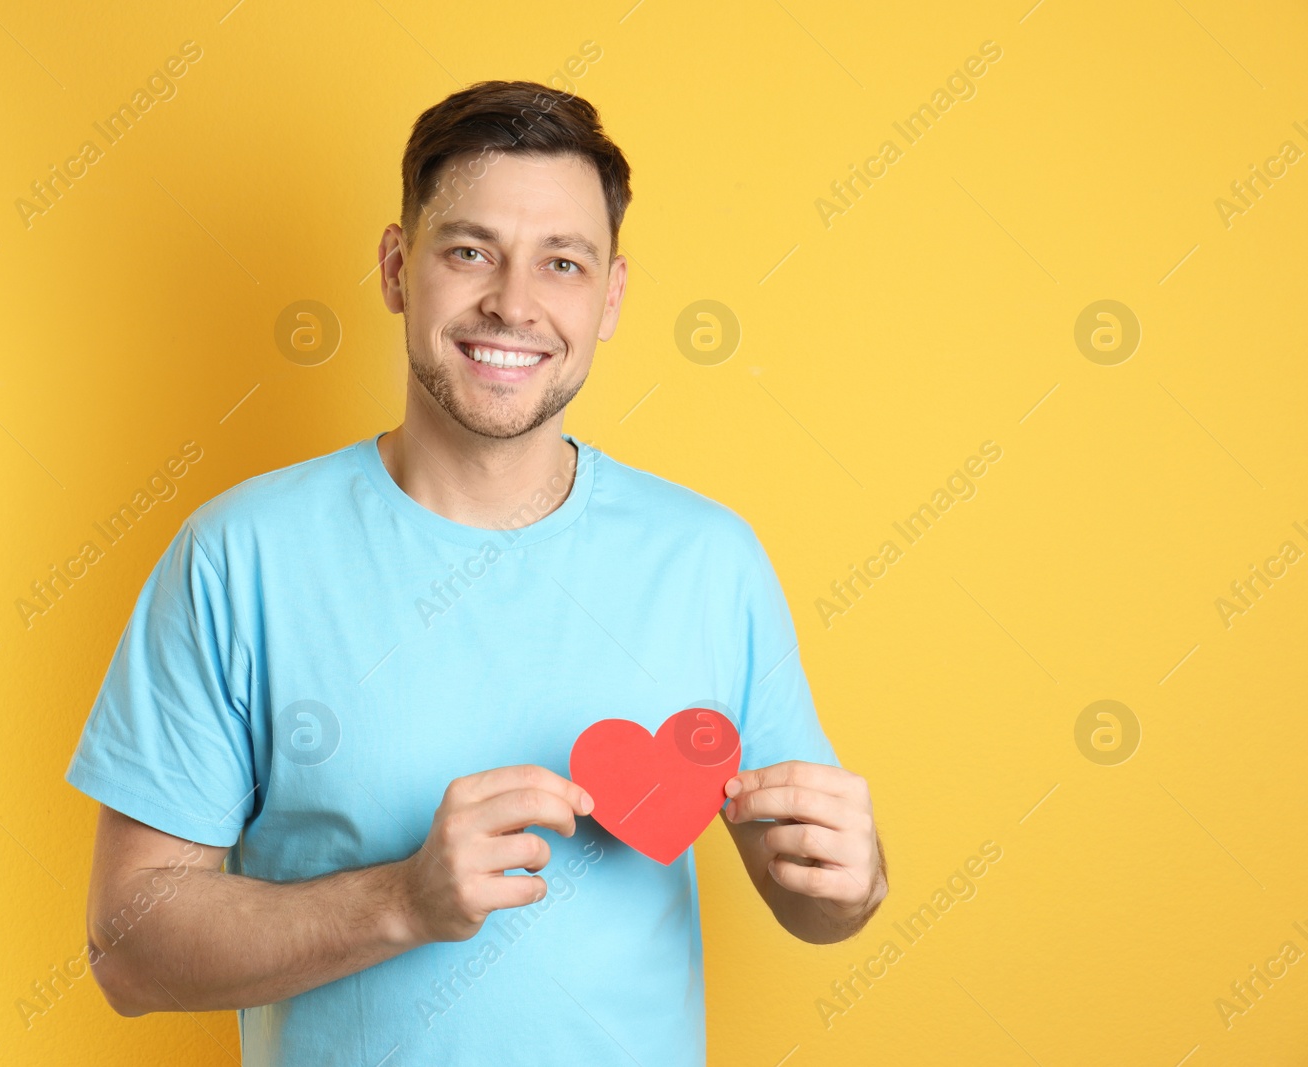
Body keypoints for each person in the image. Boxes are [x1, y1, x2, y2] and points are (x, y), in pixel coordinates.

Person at [66, 78, 887, 1066]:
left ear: (610, 296)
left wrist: (853, 880)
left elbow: (813, 902)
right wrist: (402, 901)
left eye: (563, 263)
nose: (514, 302)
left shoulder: (708, 558)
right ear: (395, 265)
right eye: (469, 251)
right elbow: (127, 945)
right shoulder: (237, 555)